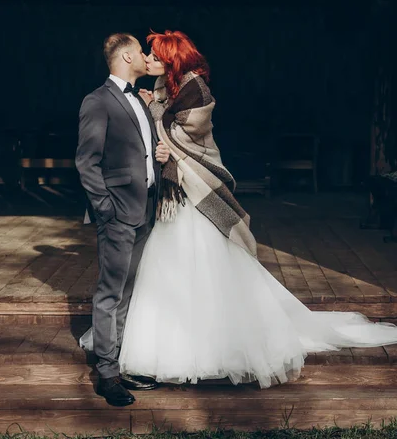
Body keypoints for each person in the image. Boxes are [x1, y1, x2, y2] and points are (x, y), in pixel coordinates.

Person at [115, 29, 397, 389]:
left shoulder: (195, 91)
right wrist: (153, 107)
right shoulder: (161, 90)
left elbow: (180, 132)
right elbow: (163, 124)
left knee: (207, 273)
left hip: (195, 195)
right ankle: (173, 350)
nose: (149, 60)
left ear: (171, 61)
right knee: (170, 274)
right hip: (176, 199)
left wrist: (154, 112)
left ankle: (217, 349)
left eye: (155, 56)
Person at [76, 32, 170, 407]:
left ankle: (122, 361)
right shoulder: (98, 101)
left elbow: (141, 151)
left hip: (144, 208)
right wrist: (105, 208)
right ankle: (107, 374)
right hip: (117, 213)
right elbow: (87, 161)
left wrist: (158, 156)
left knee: (129, 291)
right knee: (110, 293)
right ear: (128, 56)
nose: (146, 58)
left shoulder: (140, 101)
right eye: (141, 53)